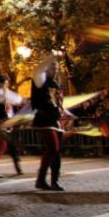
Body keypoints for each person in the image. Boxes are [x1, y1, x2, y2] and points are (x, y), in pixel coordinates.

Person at [31, 53, 69, 191]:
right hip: (44, 119)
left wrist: (66, 113)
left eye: (57, 66)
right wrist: (53, 56)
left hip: (55, 120)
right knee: (53, 148)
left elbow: (57, 103)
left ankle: (54, 181)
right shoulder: (40, 79)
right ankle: (40, 179)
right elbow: (37, 70)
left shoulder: (55, 84)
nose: (56, 68)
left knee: (56, 152)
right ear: (46, 68)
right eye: (53, 66)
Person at [0, 74, 24, 178]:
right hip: (1, 123)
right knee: (5, 145)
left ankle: (16, 166)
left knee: (9, 145)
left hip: (6, 123)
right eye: (6, 82)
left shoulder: (2, 93)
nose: (8, 84)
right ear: (1, 83)